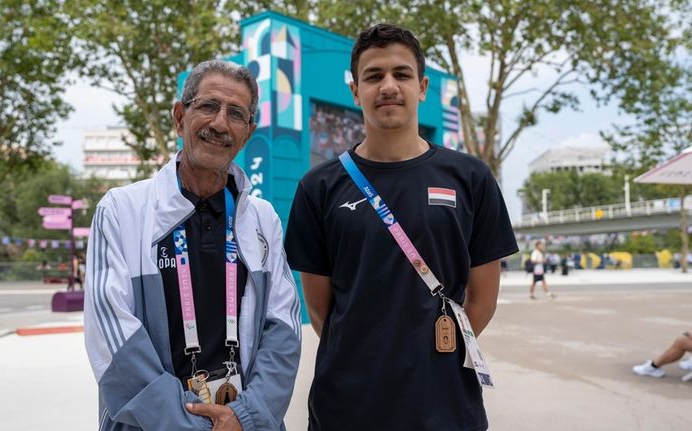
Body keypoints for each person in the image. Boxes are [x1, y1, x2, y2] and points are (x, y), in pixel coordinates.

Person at [285, 24, 518, 430]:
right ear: (355, 91)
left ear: (422, 87)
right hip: (346, 406)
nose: (388, 86)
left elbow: (483, 298)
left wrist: (433, 357)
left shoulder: (471, 177)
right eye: (373, 76)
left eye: (401, 74)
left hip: (446, 405)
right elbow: (320, 311)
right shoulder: (318, 187)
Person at [84, 60, 301, 431]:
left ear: (248, 132)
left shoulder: (262, 218)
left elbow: (284, 330)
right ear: (180, 116)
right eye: (208, 106)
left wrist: (243, 417)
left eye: (235, 113)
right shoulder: (121, 210)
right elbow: (114, 343)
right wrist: (193, 425)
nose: (220, 123)